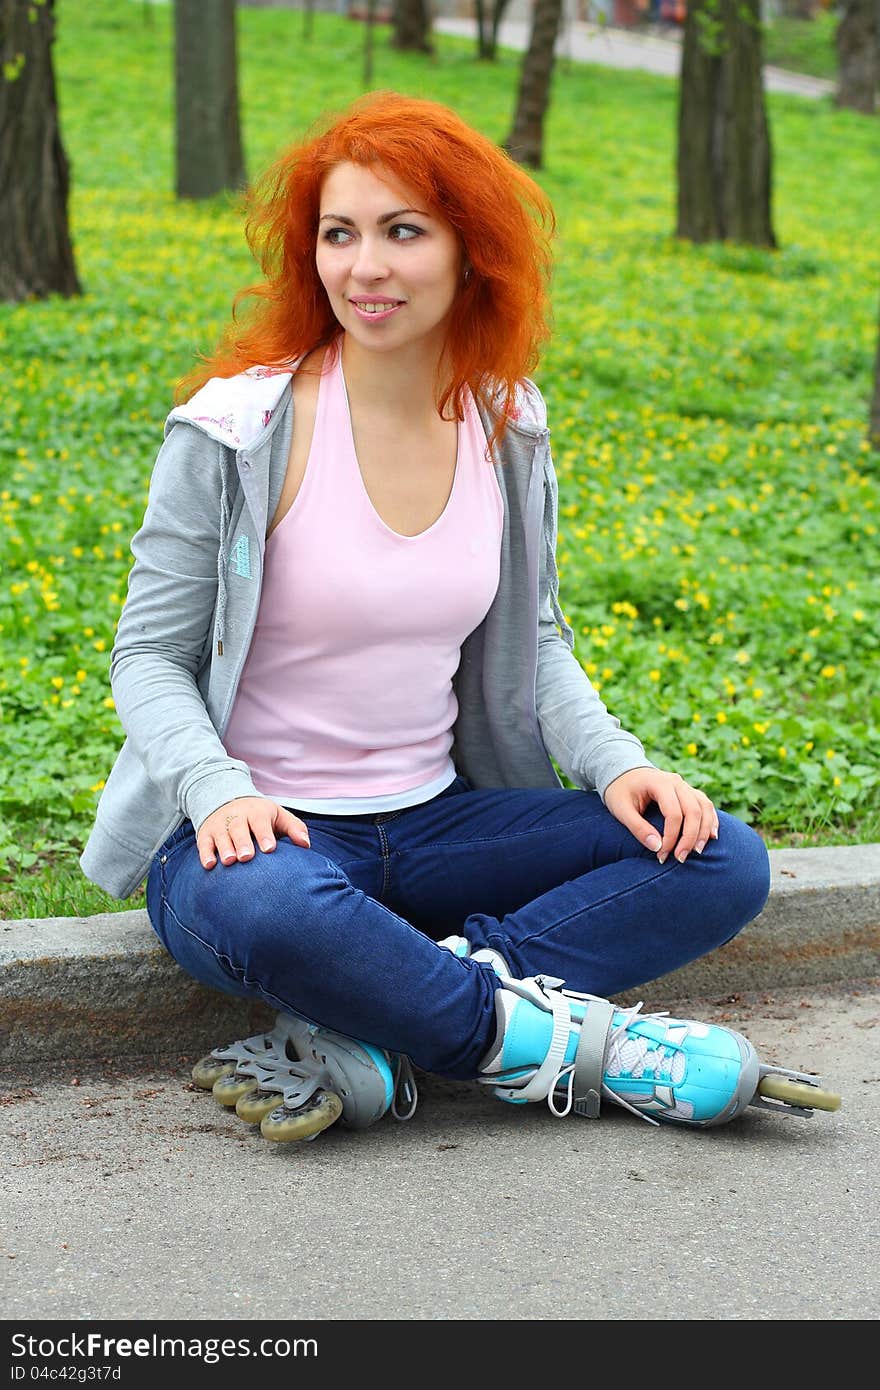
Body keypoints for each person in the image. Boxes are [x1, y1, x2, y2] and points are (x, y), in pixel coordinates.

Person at [81, 90, 809, 1144]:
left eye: (401, 231)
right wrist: (215, 789)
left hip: (435, 825)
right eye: (339, 234)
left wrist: (617, 765)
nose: (363, 268)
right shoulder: (236, 431)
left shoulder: (505, 423)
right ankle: (573, 1049)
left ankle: (386, 1020)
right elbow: (147, 656)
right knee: (276, 910)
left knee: (716, 856)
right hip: (257, 842)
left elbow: (537, 637)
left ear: (472, 251)